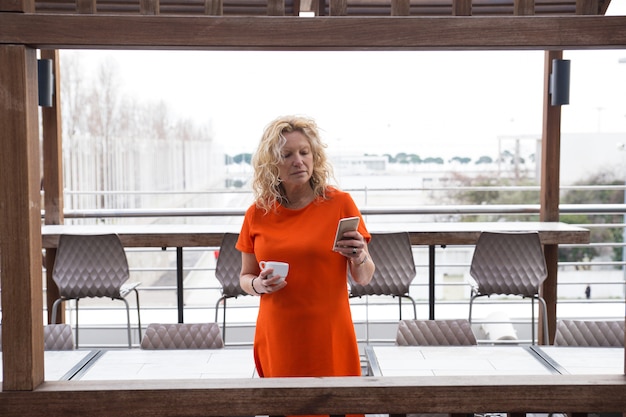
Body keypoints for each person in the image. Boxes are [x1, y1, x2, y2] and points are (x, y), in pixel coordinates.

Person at [236, 115, 375, 386]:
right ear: (272, 165)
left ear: (315, 156)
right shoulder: (257, 213)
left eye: (304, 152)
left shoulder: (340, 204)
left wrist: (360, 256)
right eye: (286, 155)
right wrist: (258, 285)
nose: (298, 160)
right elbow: (245, 278)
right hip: (279, 333)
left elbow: (365, 277)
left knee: (336, 407)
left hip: (330, 332)